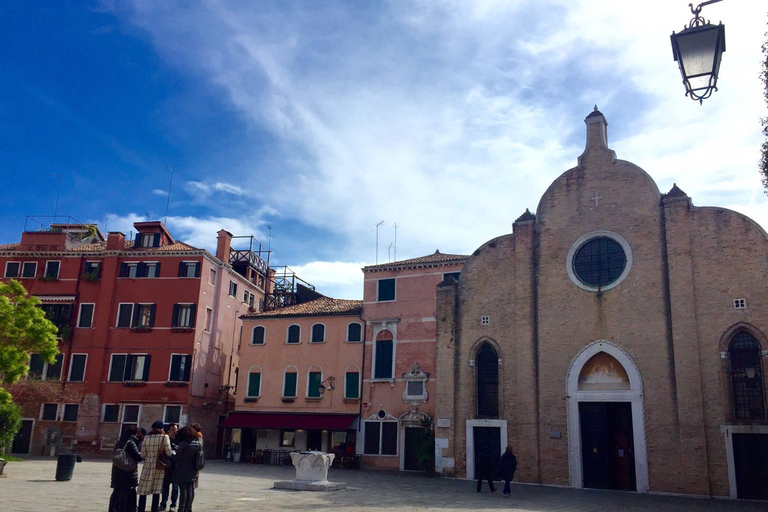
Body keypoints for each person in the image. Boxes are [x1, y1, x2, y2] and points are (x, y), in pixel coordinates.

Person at [137, 421, 172, 512]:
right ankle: (154, 509)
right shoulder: (164, 437)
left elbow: (143, 454)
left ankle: (141, 509)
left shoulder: (146, 437)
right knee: (157, 490)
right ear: (162, 429)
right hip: (159, 464)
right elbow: (169, 452)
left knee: (143, 489)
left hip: (148, 464)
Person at [109, 426, 144, 512]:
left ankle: (112, 509)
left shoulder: (119, 441)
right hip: (127, 472)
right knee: (125, 493)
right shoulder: (131, 442)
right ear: (135, 433)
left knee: (116, 492)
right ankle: (122, 509)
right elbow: (138, 456)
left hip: (117, 469)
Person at [171, 426, 203, 512]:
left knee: (183, 490)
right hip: (193, 468)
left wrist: (172, 454)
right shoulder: (197, 443)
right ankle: (188, 508)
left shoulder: (183, 443)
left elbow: (177, 456)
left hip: (182, 468)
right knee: (190, 489)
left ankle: (181, 508)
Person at [159, 424, 179, 511]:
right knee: (165, 486)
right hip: (167, 466)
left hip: (176, 467)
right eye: (173, 429)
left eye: (176, 429)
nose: (175, 431)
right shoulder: (165, 440)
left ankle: (173, 505)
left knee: (175, 487)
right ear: (169, 430)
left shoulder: (179, 440)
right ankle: (163, 503)